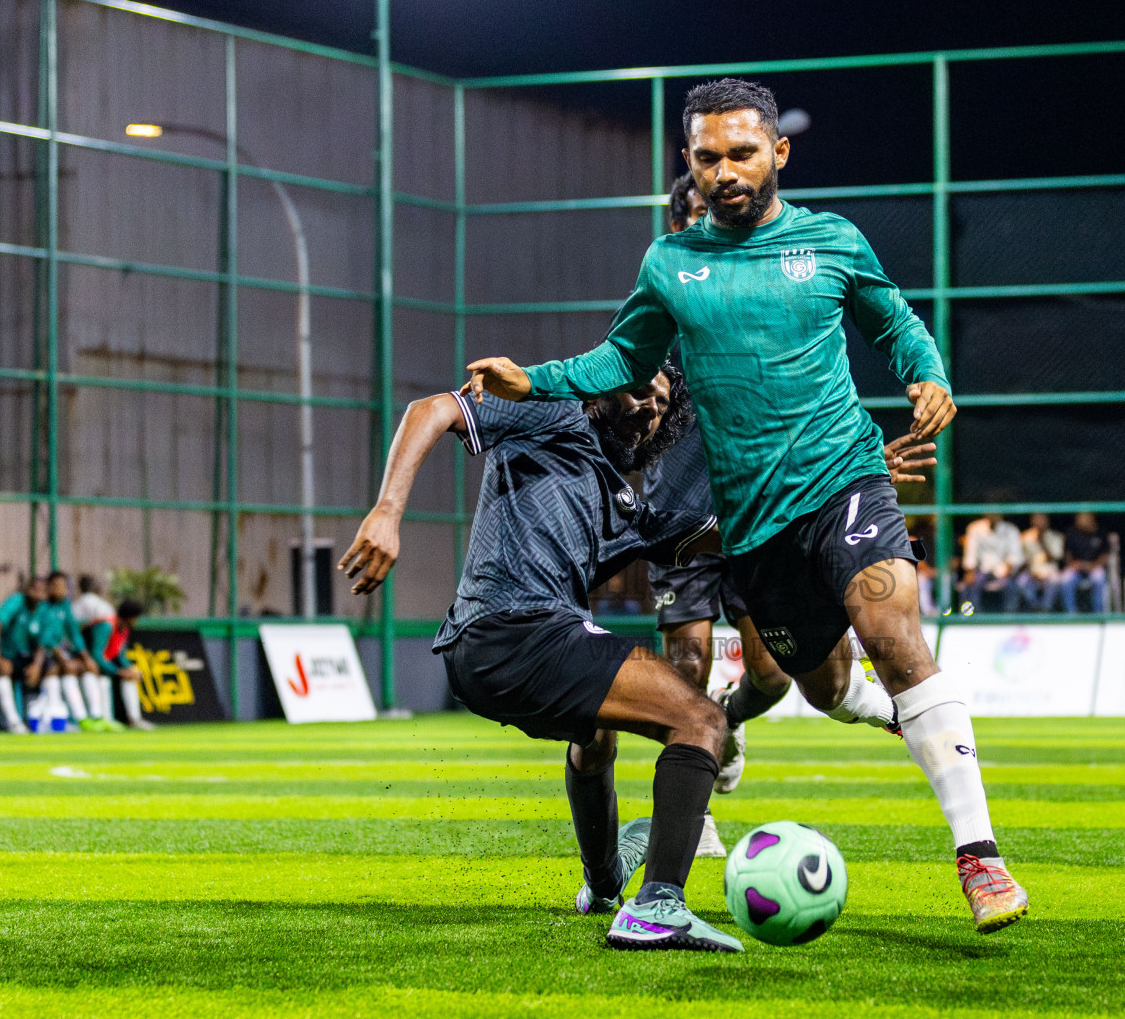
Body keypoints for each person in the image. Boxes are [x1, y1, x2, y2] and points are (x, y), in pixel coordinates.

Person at [466, 78, 1026, 934]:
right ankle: (727, 728)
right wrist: (533, 380)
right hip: (755, 529)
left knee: (892, 627)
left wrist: (928, 371)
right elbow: (622, 360)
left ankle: (980, 860)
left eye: (742, 153)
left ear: (778, 154)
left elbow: (893, 319)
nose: (725, 172)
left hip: (845, 480)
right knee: (823, 682)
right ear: (690, 166)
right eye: (707, 158)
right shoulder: (672, 265)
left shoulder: (831, 241)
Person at [341, 360, 748, 952]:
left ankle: (605, 882)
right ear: (602, 387)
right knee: (702, 720)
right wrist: (387, 511)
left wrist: (833, 495)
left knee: (597, 734)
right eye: (638, 391)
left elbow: (725, 532)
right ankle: (658, 907)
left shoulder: (624, 505)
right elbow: (431, 409)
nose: (648, 409)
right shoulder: (551, 410)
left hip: (491, 650)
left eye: (660, 405)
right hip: (511, 628)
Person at [647, 172, 937, 856]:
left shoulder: (766, 294)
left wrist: (850, 463)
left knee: (774, 678)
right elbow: (633, 409)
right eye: (694, 213)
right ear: (678, 222)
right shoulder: (663, 298)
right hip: (683, 521)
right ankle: (697, 818)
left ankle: (730, 717)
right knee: (686, 665)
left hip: (761, 514)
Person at [33, 571, 105, 731]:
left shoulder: (65, 606)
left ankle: (97, 716)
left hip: (63, 654)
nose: (62, 589)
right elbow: (44, 638)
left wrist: (87, 658)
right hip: (44, 655)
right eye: (58, 586)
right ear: (49, 587)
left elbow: (74, 634)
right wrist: (61, 656)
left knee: (87, 668)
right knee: (68, 669)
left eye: (65, 586)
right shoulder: (43, 607)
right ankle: (79, 719)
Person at [0, 575, 45, 733]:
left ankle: (39, 720)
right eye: (34, 588)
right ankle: (12, 722)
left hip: (20, 656)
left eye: (42, 590)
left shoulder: (44, 610)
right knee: (1, 670)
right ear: (27, 589)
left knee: (45, 670)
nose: (38, 593)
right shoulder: (16, 601)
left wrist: (37, 665)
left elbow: (44, 641)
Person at [77, 591, 153, 731]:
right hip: (84, 664)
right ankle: (105, 719)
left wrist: (130, 670)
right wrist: (118, 671)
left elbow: (120, 655)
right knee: (104, 682)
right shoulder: (106, 625)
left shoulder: (124, 629)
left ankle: (134, 720)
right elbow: (96, 655)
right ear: (131, 616)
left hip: (102, 667)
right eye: (136, 617)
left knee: (129, 678)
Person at [960, 512, 1022, 613]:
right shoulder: (975, 528)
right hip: (981, 571)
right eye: (990, 513)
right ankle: (972, 618)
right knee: (968, 586)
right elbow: (971, 553)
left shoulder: (1011, 530)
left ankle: (1010, 617)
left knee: (1013, 585)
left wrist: (1009, 567)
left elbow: (1016, 555)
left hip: (1003, 571)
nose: (993, 516)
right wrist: (970, 571)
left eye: (996, 513)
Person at [1061, 512, 1110, 614]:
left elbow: (1105, 556)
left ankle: (1098, 613)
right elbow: (1067, 555)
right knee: (1066, 579)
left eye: (1084, 518)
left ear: (1091, 519)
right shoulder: (1071, 533)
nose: (1080, 520)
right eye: (1079, 518)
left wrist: (1093, 565)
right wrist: (1073, 565)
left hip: (1094, 566)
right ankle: (1071, 613)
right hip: (1076, 568)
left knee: (1099, 579)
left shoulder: (1101, 532)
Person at [1017, 512, 1063, 612]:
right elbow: (1022, 559)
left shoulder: (1055, 536)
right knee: (1021, 581)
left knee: (1055, 580)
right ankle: (1035, 607)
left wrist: (1042, 541)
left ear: (1047, 521)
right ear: (1032, 520)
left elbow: (1056, 556)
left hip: (1049, 568)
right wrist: (1031, 570)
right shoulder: (1025, 537)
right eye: (1037, 519)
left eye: (1042, 519)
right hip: (1031, 569)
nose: (1040, 522)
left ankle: (1045, 608)